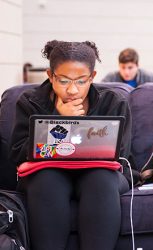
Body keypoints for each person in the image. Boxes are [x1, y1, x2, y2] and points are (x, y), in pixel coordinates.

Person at [10, 40, 132, 250]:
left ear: (92, 77)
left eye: (81, 81)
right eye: (64, 81)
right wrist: (58, 119)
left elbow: (120, 155)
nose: (73, 89)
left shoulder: (113, 102)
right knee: (47, 181)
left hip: (99, 173)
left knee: (101, 179)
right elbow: (18, 154)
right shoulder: (29, 102)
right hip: (46, 173)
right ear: (50, 75)